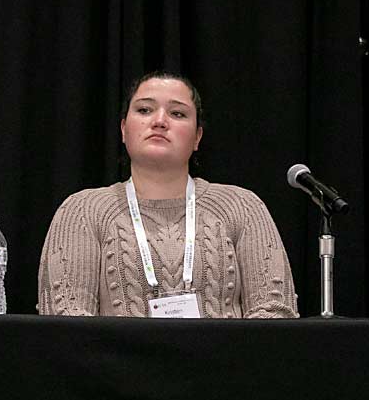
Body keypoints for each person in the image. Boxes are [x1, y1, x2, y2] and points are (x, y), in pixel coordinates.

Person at [37, 71, 298, 318]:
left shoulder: (241, 206)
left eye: (177, 113)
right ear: (124, 130)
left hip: (223, 365)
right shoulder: (82, 210)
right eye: (144, 110)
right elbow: (66, 325)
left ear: (197, 138)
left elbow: (274, 315)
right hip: (115, 366)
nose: (160, 121)